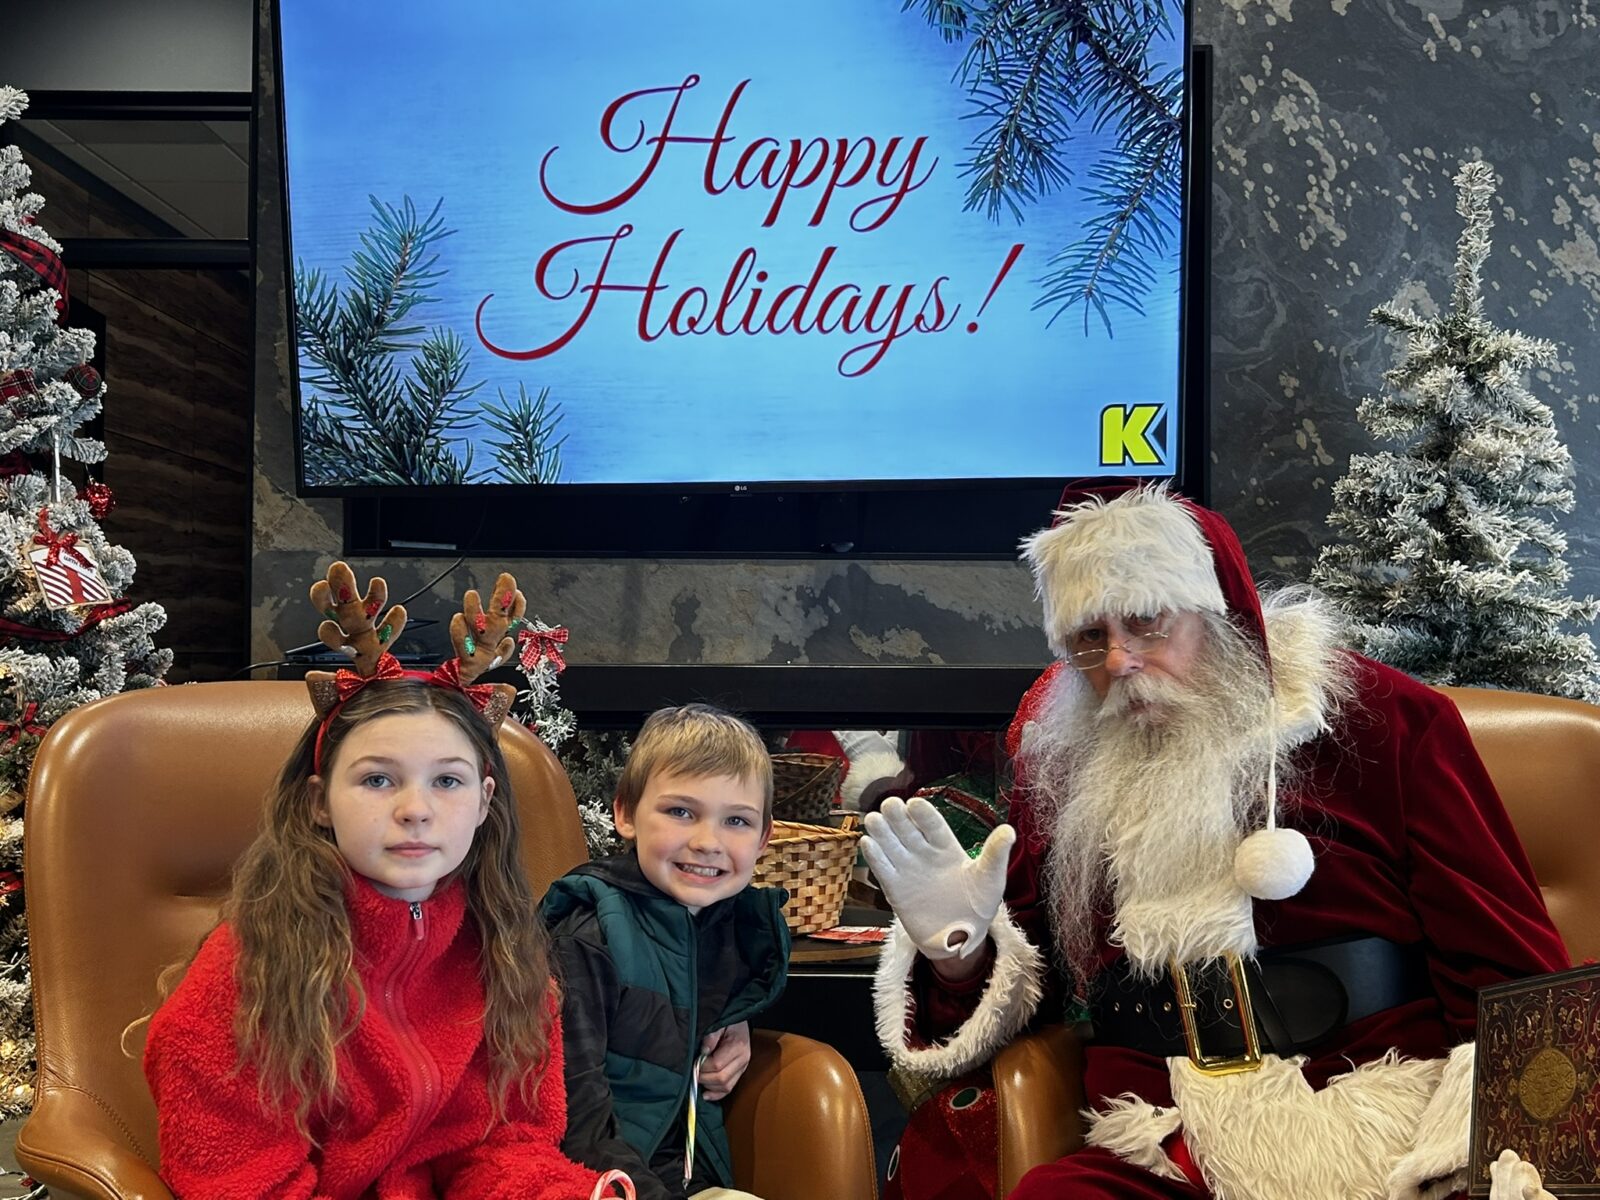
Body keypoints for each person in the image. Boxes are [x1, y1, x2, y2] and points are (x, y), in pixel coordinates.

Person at [862, 486, 1568, 1200]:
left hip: (1382, 1130)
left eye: (1146, 622)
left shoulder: (1381, 718)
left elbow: (1513, 969)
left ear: (1219, 610)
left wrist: (1507, 1155)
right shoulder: (1065, 766)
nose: (1119, 660)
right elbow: (1027, 988)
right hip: (1164, 1146)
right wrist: (958, 955)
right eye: (1089, 638)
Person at [143, 565, 630, 1200]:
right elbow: (239, 1182)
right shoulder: (246, 971)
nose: (415, 809)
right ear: (319, 802)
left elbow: (504, 1146)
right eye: (377, 779)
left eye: (447, 781)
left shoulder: (506, 956)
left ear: (484, 802)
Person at [541, 704, 792, 1200]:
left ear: (765, 838)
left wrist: (737, 1020)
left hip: (691, 1176)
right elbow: (574, 1114)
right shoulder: (587, 937)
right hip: (598, 1180)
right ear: (626, 814)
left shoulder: (737, 928)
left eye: (736, 821)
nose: (708, 842)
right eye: (681, 812)